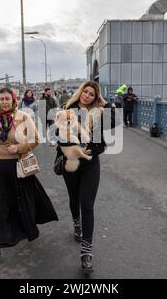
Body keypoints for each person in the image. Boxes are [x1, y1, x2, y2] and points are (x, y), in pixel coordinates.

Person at [0, 87, 58, 269]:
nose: (4, 102)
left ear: (13, 100)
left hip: (19, 169)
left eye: (7, 98)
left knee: (22, 203)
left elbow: (35, 139)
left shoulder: (23, 117)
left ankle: (26, 230)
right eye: (1, 99)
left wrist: (19, 148)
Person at [54, 80, 116, 274]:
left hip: (90, 163)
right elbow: (57, 133)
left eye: (92, 94)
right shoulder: (67, 109)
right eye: (85, 91)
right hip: (71, 162)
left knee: (87, 205)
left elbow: (117, 121)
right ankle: (77, 224)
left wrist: (105, 103)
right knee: (74, 199)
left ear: (95, 97)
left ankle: (86, 252)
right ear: (80, 92)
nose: (87, 95)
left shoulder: (99, 113)